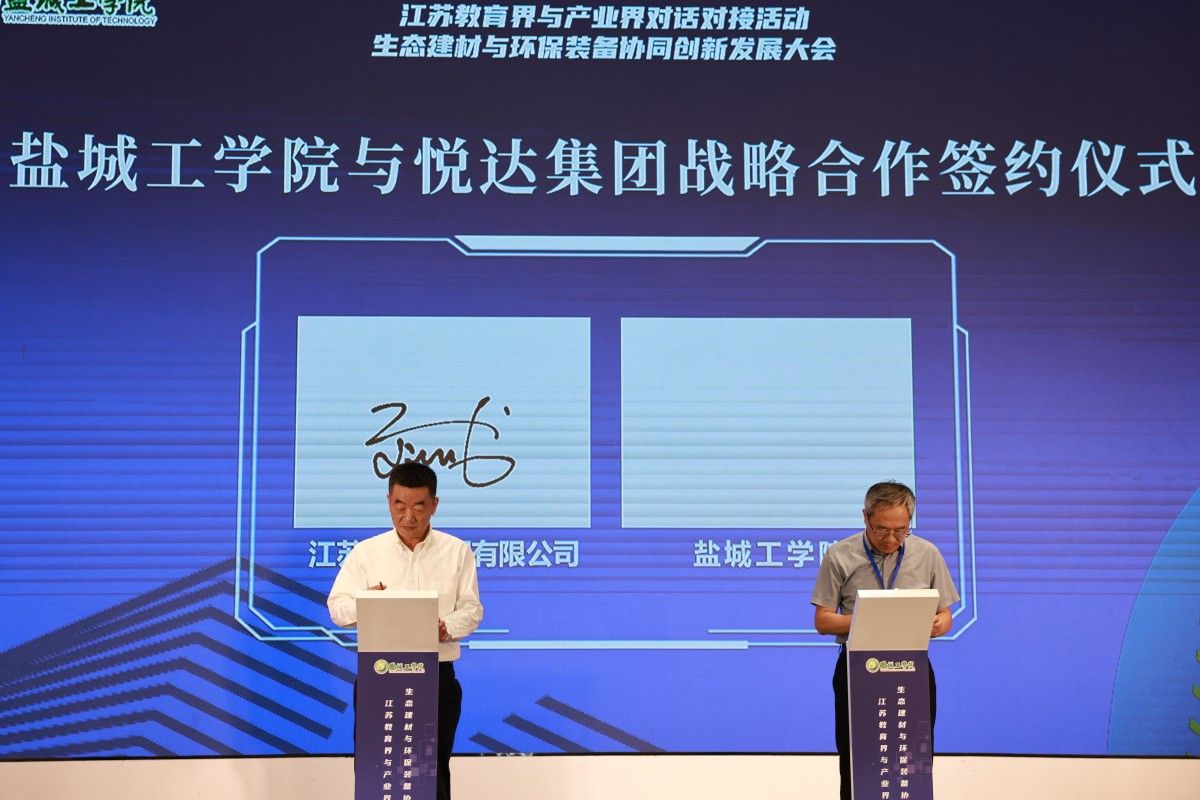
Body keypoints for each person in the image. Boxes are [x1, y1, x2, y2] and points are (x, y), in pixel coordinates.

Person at [328, 461, 483, 800]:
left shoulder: (456, 552)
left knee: (432, 775)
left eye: (419, 507)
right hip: (380, 676)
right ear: (388, 502)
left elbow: (472, 611)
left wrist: (445, 627)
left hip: (436, 678)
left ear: (434, 505)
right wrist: (368, 603)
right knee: (376, 773)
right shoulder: (367, 553)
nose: (408, 517)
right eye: (399, 506)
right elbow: (337, 609)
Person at [810, 481, 958, 800]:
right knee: (858, 762)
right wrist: (874, 617)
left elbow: (946, 616)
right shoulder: (839, 555)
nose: (891, 539)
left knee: (912, 763)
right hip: (858, 670)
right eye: (881, 529)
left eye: (900, 530)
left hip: (912, 669)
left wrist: (938, 623)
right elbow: (823, 620)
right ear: (865, 517)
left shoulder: (927, 554)